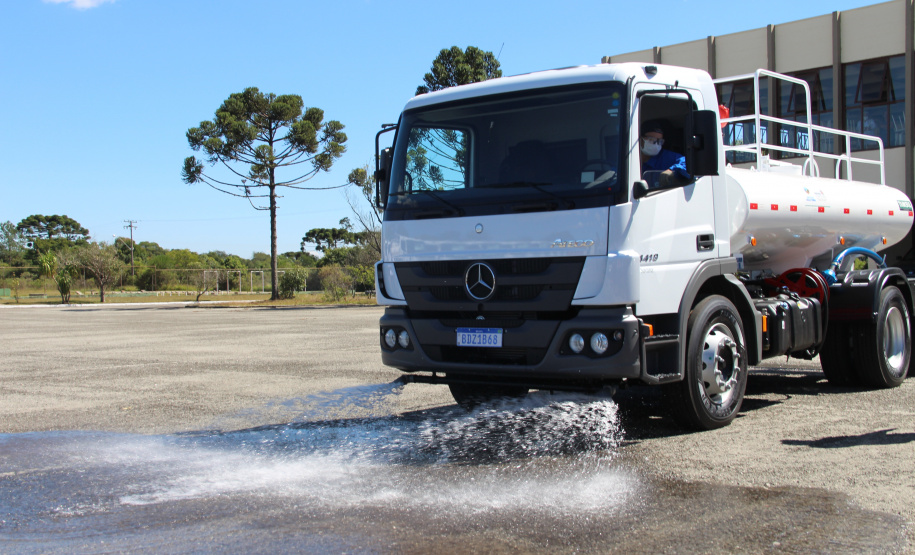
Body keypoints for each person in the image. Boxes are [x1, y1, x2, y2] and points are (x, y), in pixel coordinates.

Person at [640, 122, 689, 187]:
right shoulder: (629, 158)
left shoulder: (666, 157)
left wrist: (672, 170)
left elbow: (688, 163)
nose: (656, 144)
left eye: (660, 141)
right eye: (651, 140)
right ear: (640, 140)